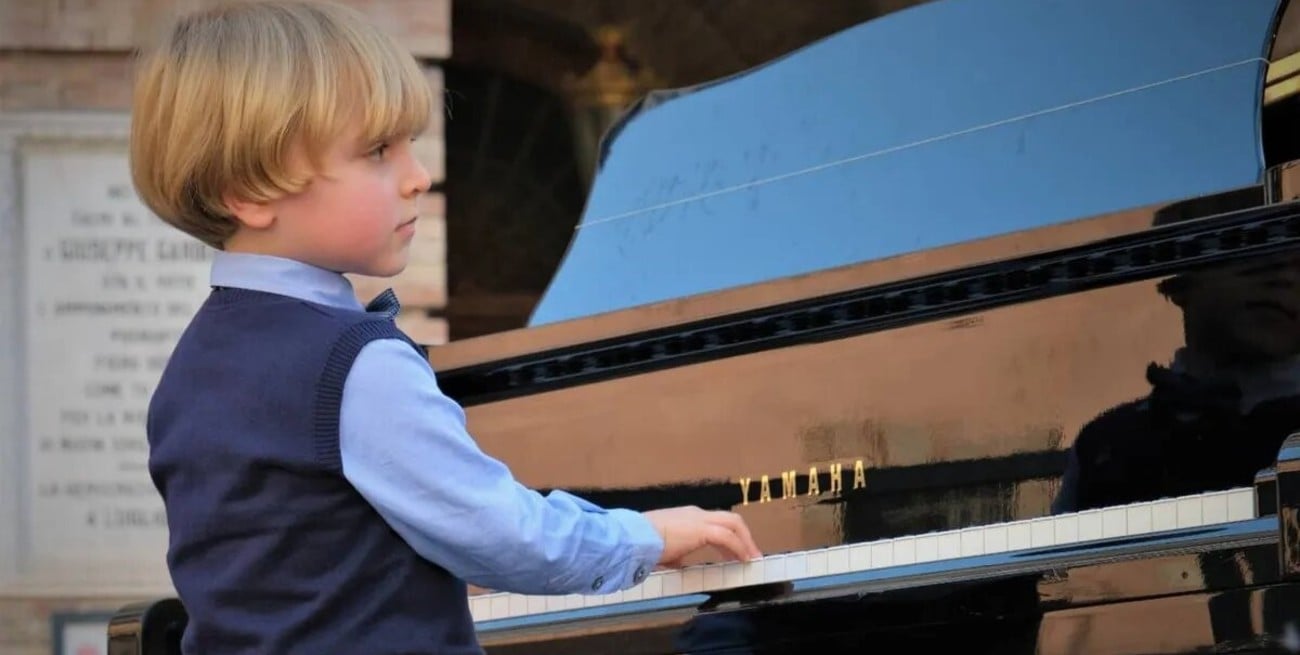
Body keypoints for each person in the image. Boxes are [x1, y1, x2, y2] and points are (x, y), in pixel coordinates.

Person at [129, 2, 761, 653]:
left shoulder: (188, 370)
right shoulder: (354, 364)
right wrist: (648, 535)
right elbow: (507, 537)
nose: (419, 177)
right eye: (378, 151)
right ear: (250, 191)